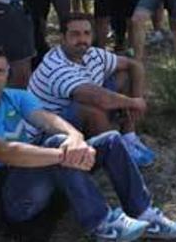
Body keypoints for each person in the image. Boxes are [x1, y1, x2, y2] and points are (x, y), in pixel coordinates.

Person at [0, 44, 176, 240]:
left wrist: (75, 139)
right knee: (55, 146)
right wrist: (63, 154)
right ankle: (103, 224)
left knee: (110, 140)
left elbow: (47, 119)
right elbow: (5, 152)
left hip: (26, 176)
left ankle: (144, 213)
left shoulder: (13, 97)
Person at [28, 13, 155, 166]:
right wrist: (134, 102)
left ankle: (128, 137)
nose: (82, 39)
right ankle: (115, 155)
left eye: (86, 33)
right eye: (75, 34)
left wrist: (137, 99)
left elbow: (135, 65)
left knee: (124, 75)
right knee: (92, 108)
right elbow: (99, 99)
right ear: (62, 37)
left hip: (72, 113)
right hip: (45, 132)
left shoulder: (92, 53)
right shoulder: (55, 65)